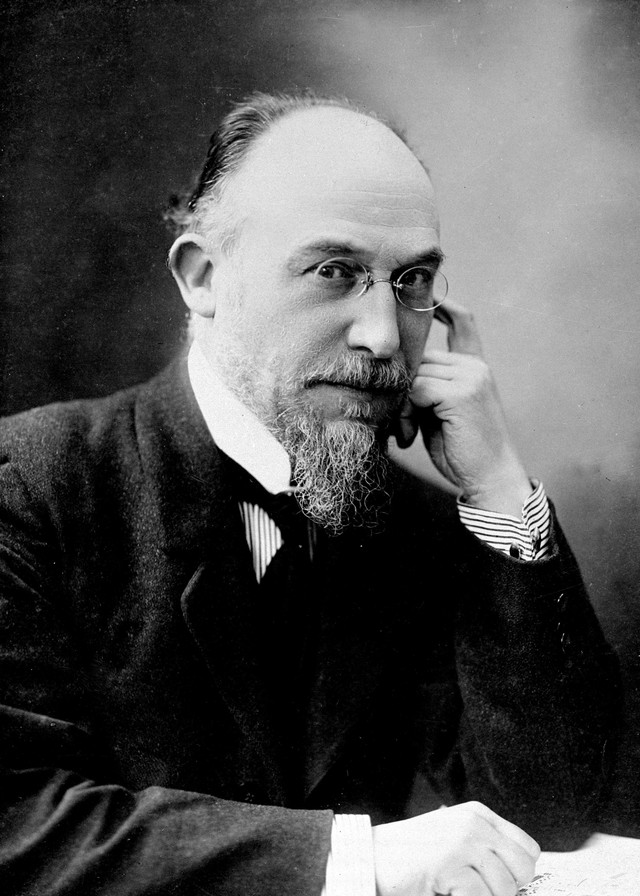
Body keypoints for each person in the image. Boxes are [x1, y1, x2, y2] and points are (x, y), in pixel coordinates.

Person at [0, 91, 619, 896]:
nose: (384, 336)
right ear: (202, 278)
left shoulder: (417, 524)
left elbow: (551, 813)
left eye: (412, 280)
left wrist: (499, 488)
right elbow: (16, 824)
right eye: (334, 272)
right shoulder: (33, 487)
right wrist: (354, 861)